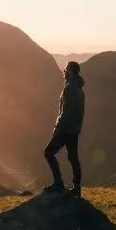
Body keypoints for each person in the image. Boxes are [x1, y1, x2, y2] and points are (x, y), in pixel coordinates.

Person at [44, 61, 85, 197]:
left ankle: (58, 183)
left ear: (71, 72)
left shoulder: (69, 88)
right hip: (74, 129)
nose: (64, 71)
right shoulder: (79, 88)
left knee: (48, 152)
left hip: (66, 129)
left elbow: (65, 113)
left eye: (66, 69)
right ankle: (77, 187)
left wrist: (57, 128)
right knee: (73, 158)